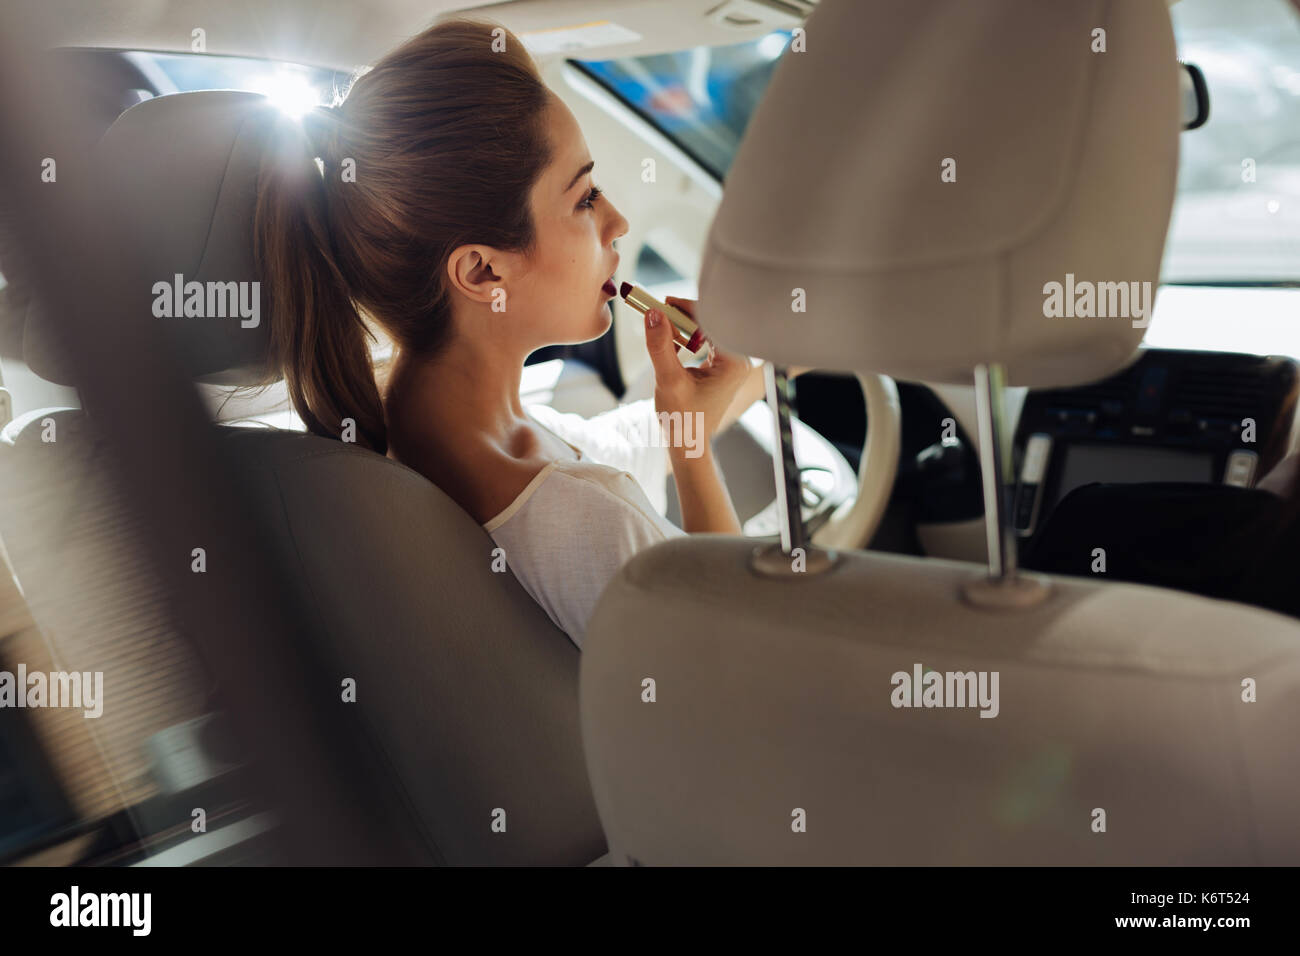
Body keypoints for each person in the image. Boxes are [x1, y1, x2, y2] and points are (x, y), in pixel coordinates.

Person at [251, 17, 794, 646]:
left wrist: (738, 387)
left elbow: (609, 442)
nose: (617, 222)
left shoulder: (404, 427)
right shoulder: (590, 520)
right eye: (585, 198)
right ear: (483, 271)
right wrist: (693, 455)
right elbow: (747, 660)